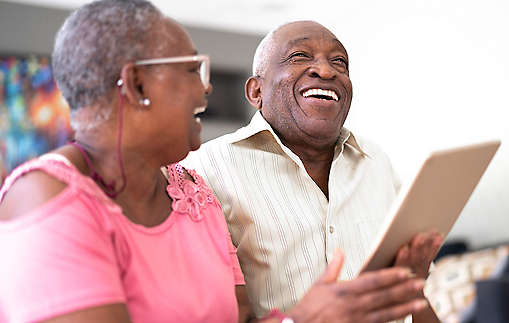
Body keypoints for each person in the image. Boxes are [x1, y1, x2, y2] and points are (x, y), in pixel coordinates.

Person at [0, 3, 431, 323]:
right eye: (191, 70)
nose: (205, 90)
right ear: (136, 84)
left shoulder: (193, 194)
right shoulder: (45, 195)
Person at [183, 20, 443, 322]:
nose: (327, 71)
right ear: (256, 91)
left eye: (339, 62)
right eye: (299, 56)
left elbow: (412, 298)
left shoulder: (377, 162)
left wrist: (412, 285)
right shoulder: (203, 171)